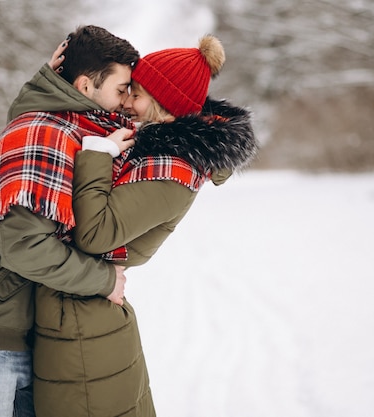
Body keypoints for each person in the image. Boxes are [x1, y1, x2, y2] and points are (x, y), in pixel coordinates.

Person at [15, 35, 258, 416]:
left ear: (164, 107)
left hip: (85, 324)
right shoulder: (149, 146)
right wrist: (53, 82)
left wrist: (97, 154)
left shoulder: (172, 169)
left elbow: (95, 235)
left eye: (138, 94)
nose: (127, 101)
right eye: (127, 90)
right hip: (75, 311)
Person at [0, 25, 140, 417]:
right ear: (85, 86)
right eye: (121, 89)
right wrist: (104, 280)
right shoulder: (43, 135)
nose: (127, 101)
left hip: (11, 324)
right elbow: (25, 248)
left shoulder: (68, 126)